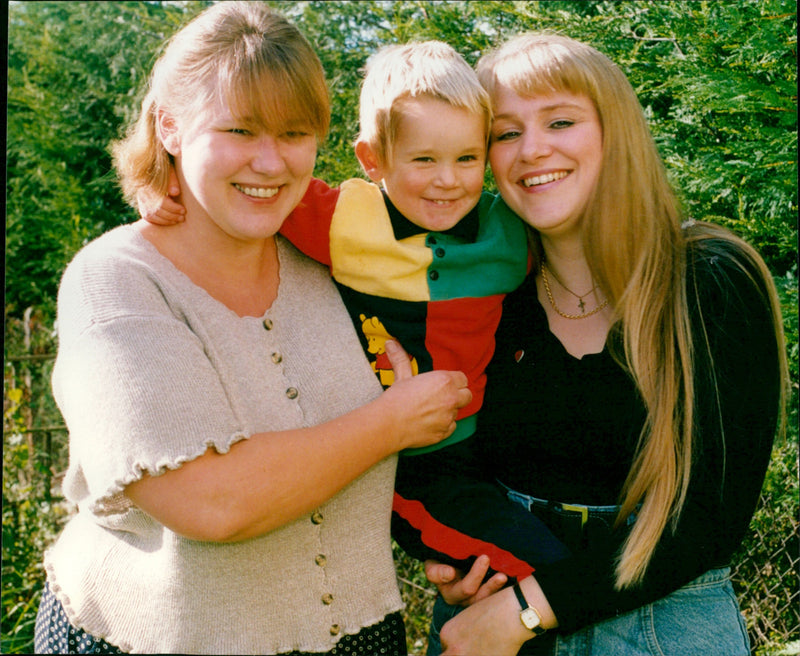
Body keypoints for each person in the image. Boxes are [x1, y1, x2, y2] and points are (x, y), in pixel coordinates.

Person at [33, 3, 472, 654]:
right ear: (171, 128)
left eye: (294, 133)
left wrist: (456, 549)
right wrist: (391, 423)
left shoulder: (340, 267)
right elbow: (212, 501)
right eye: (240, 130)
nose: (271, 163)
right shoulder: (116, 281)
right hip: (158, 641)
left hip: (359, 635)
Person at [408, 32, 788, 656]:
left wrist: (529, 610)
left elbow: (710, 517)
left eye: (560, 120)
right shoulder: (481, 295)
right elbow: (444, 462)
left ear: (617, 132)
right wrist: (462, 555)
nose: (533, 150)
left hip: (660, 622)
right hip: (495, 604)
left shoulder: (710, 278)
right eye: (505, 133)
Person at [143, 40, 571, 579]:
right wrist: (163, 186)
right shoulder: (345, 218)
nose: (448, 179)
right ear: (373, 159)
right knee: (539, 569)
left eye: (468, 158)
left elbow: (583, 237)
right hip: (407, 466)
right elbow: (240, 184)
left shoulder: (509, 230)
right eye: (423, 160)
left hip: (485, 446)